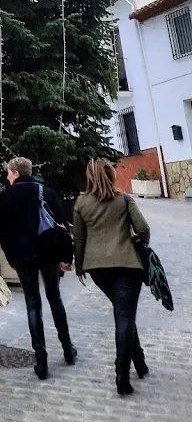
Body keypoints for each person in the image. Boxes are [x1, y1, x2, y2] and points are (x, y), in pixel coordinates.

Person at [73, 158, 150, 396]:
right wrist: (140, 244)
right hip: (127, 265)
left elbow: (79, 238)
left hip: (98, 269)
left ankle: (139, 361)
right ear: (112, 175)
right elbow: (144, 229)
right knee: (125, 315)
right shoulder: (124, 199)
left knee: (122, 312)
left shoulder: (81, 203)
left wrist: (79, 267)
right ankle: (121, 373)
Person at [0, 156, 76, 380]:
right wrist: (65, 257)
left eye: (9, 172)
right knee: (55, 298)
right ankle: (68, 348)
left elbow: (3, 231)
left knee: (33, 304)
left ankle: (41, 359)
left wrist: (12, 258)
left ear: (16, 173)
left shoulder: (8, 195)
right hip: (49, 253)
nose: (7, 176)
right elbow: (62, 225)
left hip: (23, 256)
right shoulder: (46, 192)